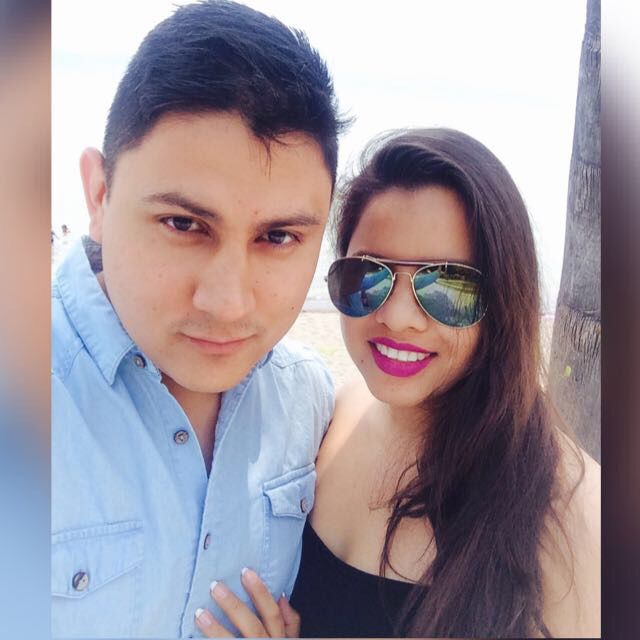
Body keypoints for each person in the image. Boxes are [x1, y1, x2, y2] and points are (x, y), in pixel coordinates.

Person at [194, 128, 600, 638]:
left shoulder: (577, 517)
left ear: (502, 301)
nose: (399, 317)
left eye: (447, 285)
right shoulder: (328, 421)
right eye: (368, 277)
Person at [51, 1, 347, 637]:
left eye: (278, 237)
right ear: (99, 195)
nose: (228, 303)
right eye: (184, 224)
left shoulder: (309, 402)